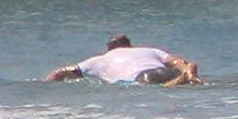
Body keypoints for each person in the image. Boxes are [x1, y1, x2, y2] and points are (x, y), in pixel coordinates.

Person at [44, 33, 204, 85]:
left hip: (144, 77)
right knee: (177, 73)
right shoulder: (150, 50)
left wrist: (45, 85)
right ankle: (186, 75)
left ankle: (178, 81)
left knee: (159, 88)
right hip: (164, 71)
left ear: (109, 48)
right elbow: (176, 61)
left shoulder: (97, 60)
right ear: (130, 45)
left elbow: (58, 74)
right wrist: (185, 67)